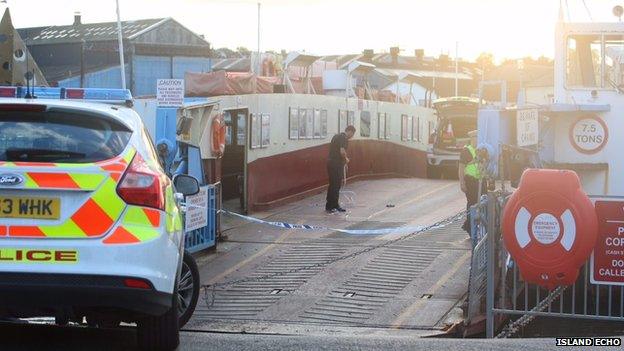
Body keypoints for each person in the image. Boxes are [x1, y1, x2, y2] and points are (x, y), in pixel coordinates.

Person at [459, 130, 488, 233]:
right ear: (471, 139)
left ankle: (482, 227)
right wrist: (462, 182)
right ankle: (470, 227)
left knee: (484, 203)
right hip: (471, 181)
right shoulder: (466, 150)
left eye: (478, 138)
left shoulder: (483, 150)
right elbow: (461, 167)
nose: (476, 140)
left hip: (481, 180)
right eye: (475, 138)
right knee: (472, 204)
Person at [326, 125, 356, 213]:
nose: (352, 137)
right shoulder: (344, 138)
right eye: (352, 134)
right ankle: (334, 205)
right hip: (336, 164)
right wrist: (346, 159)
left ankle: (329, 205)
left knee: (332, 184)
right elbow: (342, 151)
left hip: (330, 163)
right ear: (350, 131)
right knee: (336, 185)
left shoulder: (336, 136)